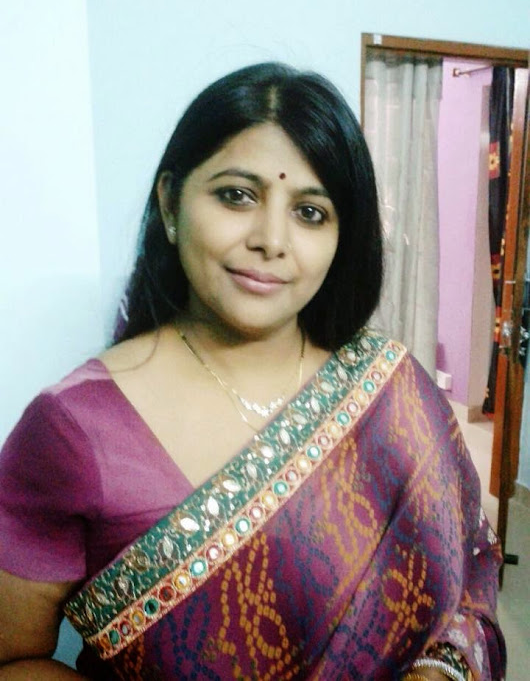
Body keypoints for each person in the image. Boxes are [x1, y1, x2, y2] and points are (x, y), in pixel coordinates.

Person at [0, 63, 505, 680]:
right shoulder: (73, 428)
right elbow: (13, 658)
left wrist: (440, 672)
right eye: (237, 195)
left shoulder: (389, 386)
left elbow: (472, 573)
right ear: (170, 202)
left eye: (310, 212)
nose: (272, 239)